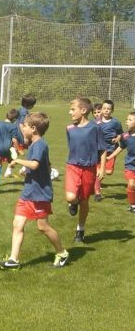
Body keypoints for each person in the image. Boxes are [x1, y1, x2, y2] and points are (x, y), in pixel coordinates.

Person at [0, 112, 69, 270]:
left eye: (25, 126)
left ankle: (62, 253)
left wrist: (17, 161)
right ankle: (14, 260)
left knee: (43, 226)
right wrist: (26, 170)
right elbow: (45, 166)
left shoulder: (40, 144)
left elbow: (35, 164)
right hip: (28, 193)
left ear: (33, 129)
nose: (22, 129)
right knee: (17, 224)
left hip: (39, 194)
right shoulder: (34, 145)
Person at [65, 97, 107, 243]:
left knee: (84, 202)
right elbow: (72, 148)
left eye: (72, 109)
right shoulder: (69, 128)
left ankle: (80, 230)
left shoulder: (95, 128)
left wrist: (101, 168)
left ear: (83, 111)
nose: (70, 112)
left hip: (89, 169)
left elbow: (102, 150)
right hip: (73, 167)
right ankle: (73, 202)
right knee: (70, 197)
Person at [93, 99, 123, 201]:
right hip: (99, 150)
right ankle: (97, 193)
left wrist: (117, 138)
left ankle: (99, 174)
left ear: (112, 111)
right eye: (104, 108)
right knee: (99, 172)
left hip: (111, 150)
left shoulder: (116, 122)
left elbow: (120, 133)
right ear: (101, 109)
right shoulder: (96, 122)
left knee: (109, 171)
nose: (106, 110)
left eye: (108, 109)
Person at [107, 111, 135, 212]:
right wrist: (110, 157)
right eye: (126, 119)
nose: (126, 121)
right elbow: (121, 147)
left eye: (130, 120)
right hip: (130, 165)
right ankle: (133, 205)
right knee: (131, 184)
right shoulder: (125, 136)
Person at [0, 108, 20, 187]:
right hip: (8, 149)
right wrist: (17, 149)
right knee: (13, 160)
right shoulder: (13, 127)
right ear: (14, 119)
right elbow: (14, 140)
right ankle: (9, 171)